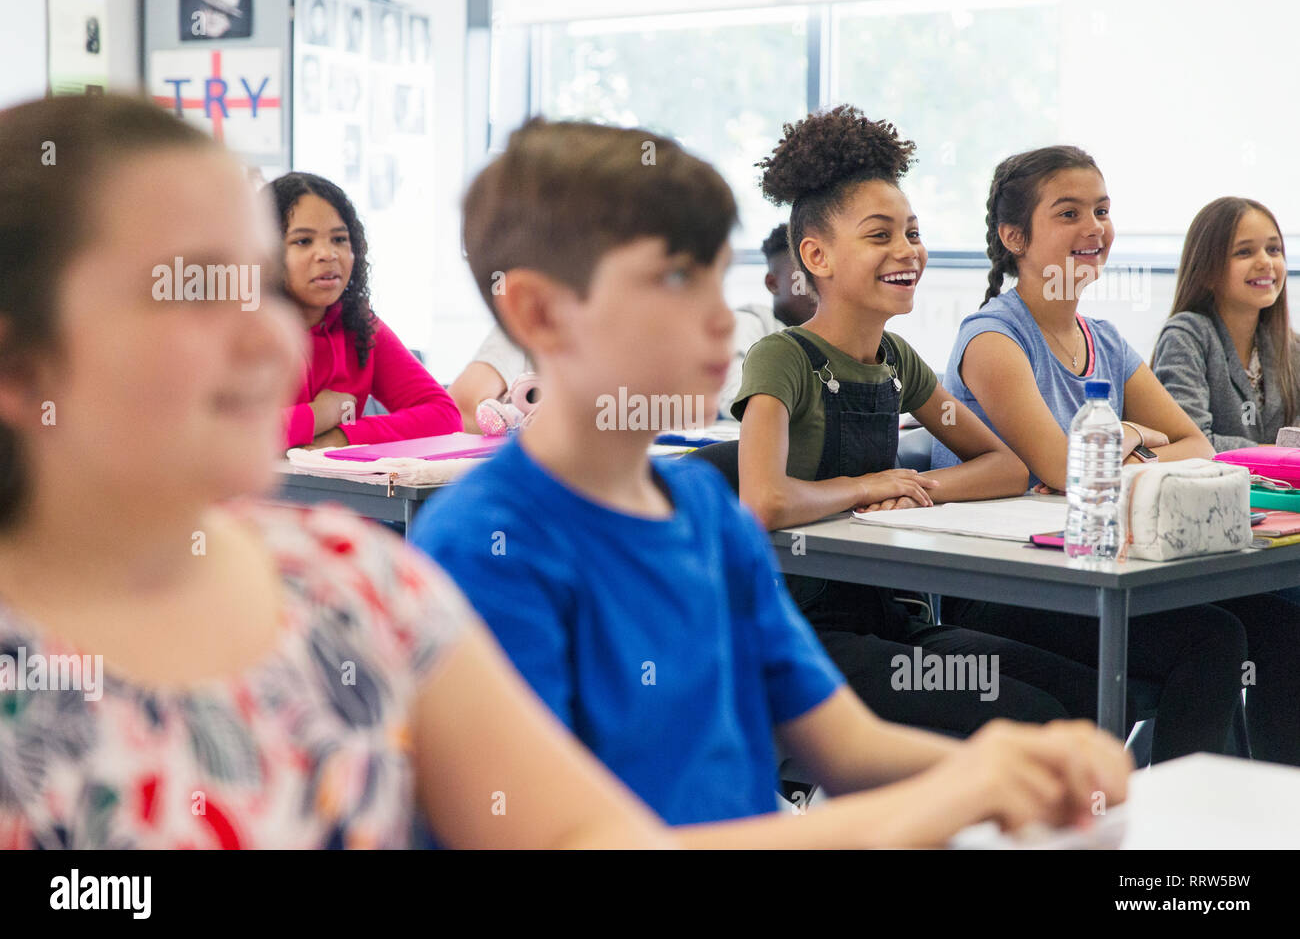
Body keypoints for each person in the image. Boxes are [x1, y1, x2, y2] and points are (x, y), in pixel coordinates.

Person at [411, 115, 1131, 844]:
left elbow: (847, 744)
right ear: (539, 311)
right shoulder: (484, 545)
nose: (719, 319)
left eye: (714, 276)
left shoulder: (702, 511)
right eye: (673, 279)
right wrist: (946, 795)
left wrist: (1011, 768)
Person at [0, 93, 684, 849]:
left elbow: (579, 832)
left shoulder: (355, 582)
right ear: (18, 364)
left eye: (259, 283)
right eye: (197, 288)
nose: (273, 341)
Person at [736, 105, 1107, 737]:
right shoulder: (782, 357)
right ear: (817, 256)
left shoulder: (895, 359)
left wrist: (917, 487)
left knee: (1086, 697)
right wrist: (868, 486)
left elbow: (1006, 466)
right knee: (1036, 717)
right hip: (801, 638)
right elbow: (763, 502)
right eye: (880, 236)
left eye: (912, 233)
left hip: (891, 619)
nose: (907, 251)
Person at [933, 145, 1300, 766]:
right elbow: (1063, 468)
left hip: (1101, 566)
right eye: (1069, 213)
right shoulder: (994, 338)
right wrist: (1132, 438)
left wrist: (1116, 446)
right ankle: (1169, 820)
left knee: (1282, 628)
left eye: (1101, 211)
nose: (1094, 228)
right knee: (1212, 640)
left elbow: (1195, 444)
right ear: (1014, 237)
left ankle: (1268, 806)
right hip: (1010, 583)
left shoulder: (1103, 339)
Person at [271, 171, 461, 449]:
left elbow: (445, 416)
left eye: (339, 239)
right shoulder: (239, 327)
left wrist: (343, 437)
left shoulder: (359, 325)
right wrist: (323, 413)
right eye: (303, 241)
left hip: (329, 479)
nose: (328, 254)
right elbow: (228, 434)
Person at [1152, 197, 1300, 449]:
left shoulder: (1292, 348)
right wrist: (1273, 454)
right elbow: (1191, 444)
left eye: (1274, 250)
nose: (1266, 262)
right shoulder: (1186, 337)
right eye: (1244, 252)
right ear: (1207, 271)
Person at [718, 223, 816, 415]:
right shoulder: (750, 323)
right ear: (773, 283)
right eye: (805, 276)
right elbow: (734, 399)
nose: (817, 285)